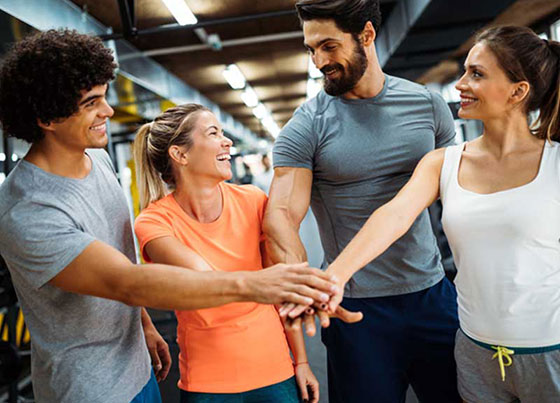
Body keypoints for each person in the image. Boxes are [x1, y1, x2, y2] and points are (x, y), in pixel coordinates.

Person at [0, 29, 339, 403]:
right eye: (92, 102)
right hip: (90, 387)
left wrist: (143, 323)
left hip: (138, 368)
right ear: (48, 117)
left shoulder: (95, 158)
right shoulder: (27, 211)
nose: (108, 111)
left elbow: (118, 257)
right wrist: (262, 284)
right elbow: (125, 281)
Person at [322, 25, 560, 402]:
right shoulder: (443, 162)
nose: (461, 83)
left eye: (477, 74)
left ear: (518, 91)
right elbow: (394, 216)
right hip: (475, 352)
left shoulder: (555, 162)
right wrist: (335, 275)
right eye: (465, 70)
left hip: (551, 353)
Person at [264, 0, 461, 401]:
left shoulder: (427, 106)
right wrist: (306, 284)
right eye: (311, 50)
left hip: (433, 295)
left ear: (367, 35)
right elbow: (281, 215)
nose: (319, 61)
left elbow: (454, 195)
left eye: (329, 46)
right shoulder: (306, 126)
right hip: (356, 310)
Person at [133, 104, 327, 402]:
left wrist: (300, 361)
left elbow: (281, 294)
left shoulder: (253, 201)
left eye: (223, 133)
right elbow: (208, 281)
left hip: (275, 372)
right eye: (214, 133)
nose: (228, 142)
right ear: (180, 155)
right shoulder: (154, 222)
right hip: (208, 384)